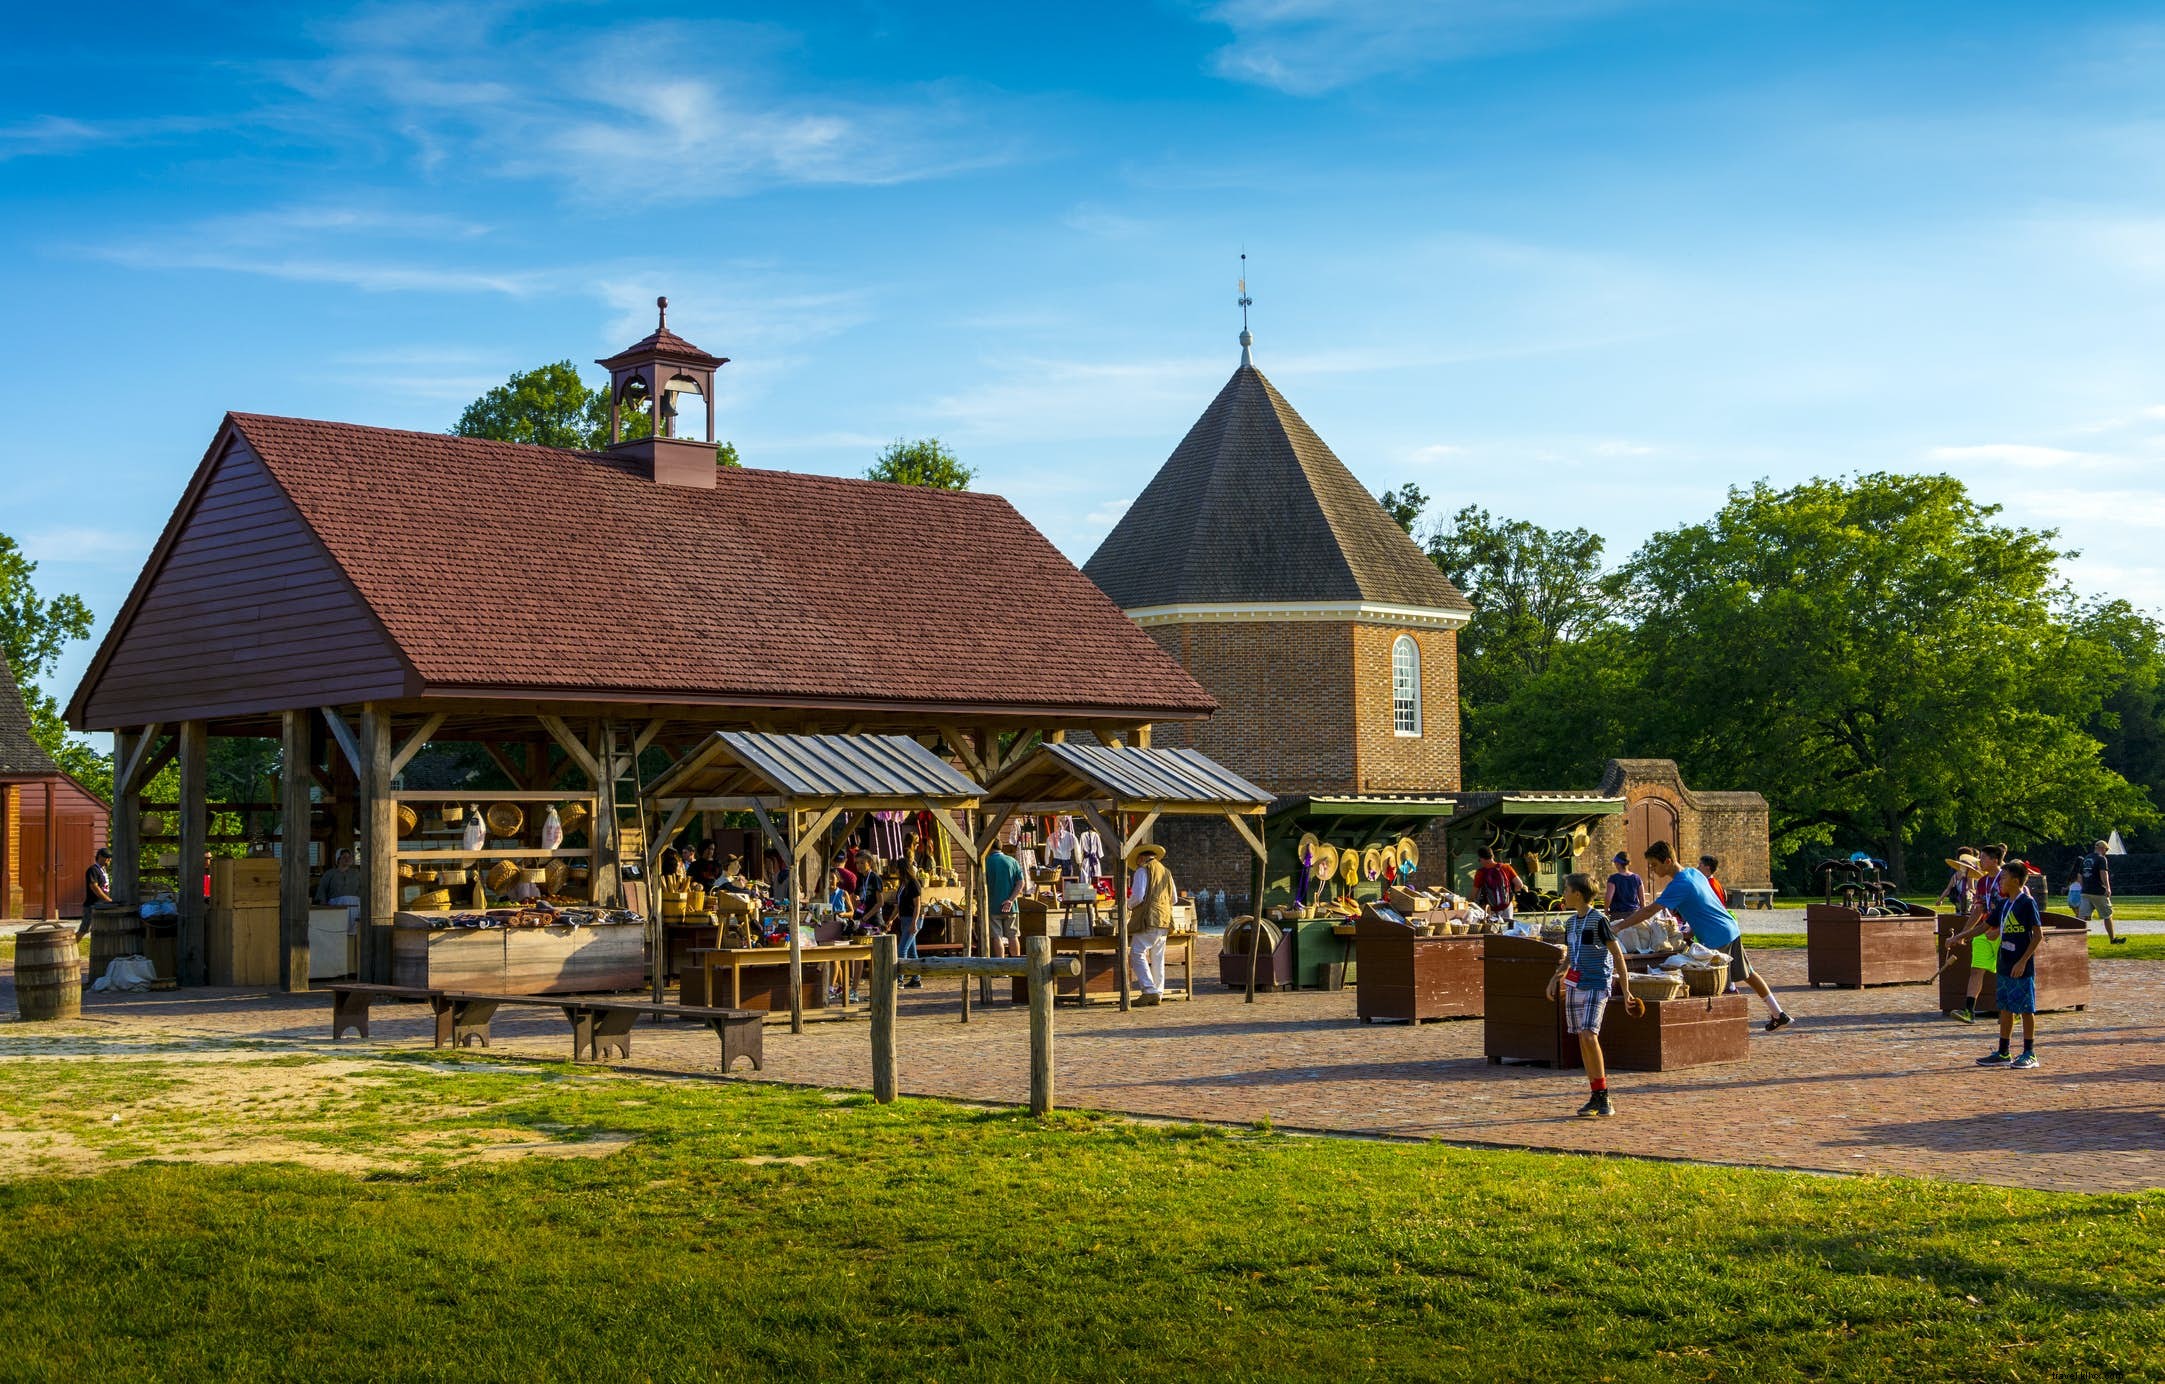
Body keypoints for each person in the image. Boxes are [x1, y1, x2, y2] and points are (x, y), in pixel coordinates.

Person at [1612, 840, 1792, 1032]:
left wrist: (1619, 927)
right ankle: (1778, 1014)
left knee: (1713, 983)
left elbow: (1650, 911)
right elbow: (1705, 904)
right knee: (1748, 973)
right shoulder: (1693, 872)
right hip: (1729, 928)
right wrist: (1692, 930)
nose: (1653, 870)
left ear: (1667, 861)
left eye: (1655, 865)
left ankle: (1725, 1028)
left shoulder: (1680, 884)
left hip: (1717, 936)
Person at [1545, 871, 1643, 1118]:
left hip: (1597, 983)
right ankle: (1595, 1094)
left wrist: (1627, 987)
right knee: (1582, 1037)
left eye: (1566, 889)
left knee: (1589, 1035)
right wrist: (1555, 978)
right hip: (1575, 984)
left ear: (1577, 894)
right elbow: (1570, 955)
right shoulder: (1570, 923)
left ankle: (1604, 1096)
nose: (1563, 894)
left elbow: (1617, 953)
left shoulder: (1598, 920)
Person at [1978, 860, 2046, 1069]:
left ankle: (2029, 1052)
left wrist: (2023, 961)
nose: (2001, 882)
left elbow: (2037, 935)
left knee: (2026, 1009)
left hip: (2021, 965)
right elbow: (1985, 926)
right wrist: (1960, 937)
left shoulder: (2027, 903)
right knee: (2005, 1007)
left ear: (2016, 881)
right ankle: (2003, 1051)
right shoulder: (2004, 904)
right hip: (2005, 963)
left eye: (2004, 878)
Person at [1941, 844, 2004, 1022]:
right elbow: (1978, 910)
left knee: (2005, 972)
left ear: (1995, 860)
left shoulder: (2005, 879)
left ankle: (2009, 1011)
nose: (1980, 862)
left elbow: (2014, 908)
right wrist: (1964, 934)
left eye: (1983, 858)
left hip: (2004, 932)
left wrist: (2000, 930)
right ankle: (1969, 1011)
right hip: (1984, 930)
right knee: (1976, 970)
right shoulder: (1983, 882)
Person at [1125, 842, 1175, 1005]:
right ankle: (1158, 992)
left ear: (1141, 858)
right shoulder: (1167, 872)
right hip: (1165, 918)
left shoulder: (1142, 870)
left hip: (1149, 918)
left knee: (1137, 952)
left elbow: (1138, 896)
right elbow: (1173, 899)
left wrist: (1127, 904)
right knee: (1158, 956)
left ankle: (1149, 990)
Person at [2073, 839, 2122, 944]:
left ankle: (2077, 941)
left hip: (2085, 892)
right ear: (2102, 848)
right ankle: (2112, 939)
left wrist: (2083, 887)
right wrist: (2108, 888)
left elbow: (2079, 875)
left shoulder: (2086, 858)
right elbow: (2103, 874)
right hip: (2098, 892)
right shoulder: (2101, 859)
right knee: (2107, 915)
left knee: (2082, 917)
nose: (2106, 852)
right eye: (2106, 849)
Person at [983, 841, 1024, 960]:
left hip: (993, 905)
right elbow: (1021, 883)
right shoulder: (1012, 861)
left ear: (990, 848)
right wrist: (1010, 900)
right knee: (1013, 936)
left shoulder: (986, 862)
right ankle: (1016, 967)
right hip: (1011, 907)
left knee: (997, 937)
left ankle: (1001, 967)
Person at [892, 857, 924, 988]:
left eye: (897, 870)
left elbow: (917, 905)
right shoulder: (902, 884)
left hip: (913, 919)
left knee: (902, 949)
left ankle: (899, 978)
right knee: (911, 952)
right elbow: (898, 906)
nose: (895, 872)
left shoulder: (913, 883)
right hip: (904, 919)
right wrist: (891, 920)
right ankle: (916, 978)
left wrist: (914, 923)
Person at [1472, 846, 1520, 918]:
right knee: (1508, 928)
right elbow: (1519, 884)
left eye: (1479, 860)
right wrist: (1510, 894)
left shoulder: (1480, 873)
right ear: (1492, 856)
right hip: (1507, 907)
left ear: (1482, 858)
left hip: (1490, 909)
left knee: (1493, 928)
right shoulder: (1506, 867)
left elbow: (1474, 895)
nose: (1480, 862)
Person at [79, 846, 115, 938]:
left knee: (102, 930)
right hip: (92, 905)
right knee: (84, 930)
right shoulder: (93, 870)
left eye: (110, 857)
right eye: (106, 857)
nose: (109, 859)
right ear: (99, 857)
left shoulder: (103, 870)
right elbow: (94, 887)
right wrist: (108, 900)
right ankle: (69, 948)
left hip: (102, 905)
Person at [1934, 847, 1981, 915]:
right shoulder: (1962, 875)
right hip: (1963, 901)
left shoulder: (1961, 875)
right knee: (1962, 916)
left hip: (1963, 901)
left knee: (1962, 915)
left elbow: (1948, 889)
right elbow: (1971, 889)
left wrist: (1940, 900)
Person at [1604, 852, 1643, 916]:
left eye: (1615, 863)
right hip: (1634, 914)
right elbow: (1642, 900)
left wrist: (1606, 910)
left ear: (1618, 864)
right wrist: (1641, 912)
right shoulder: (1637, 878)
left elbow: (1608, 897)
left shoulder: (1613, 878)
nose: (1615, 864)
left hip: (1618, 914)